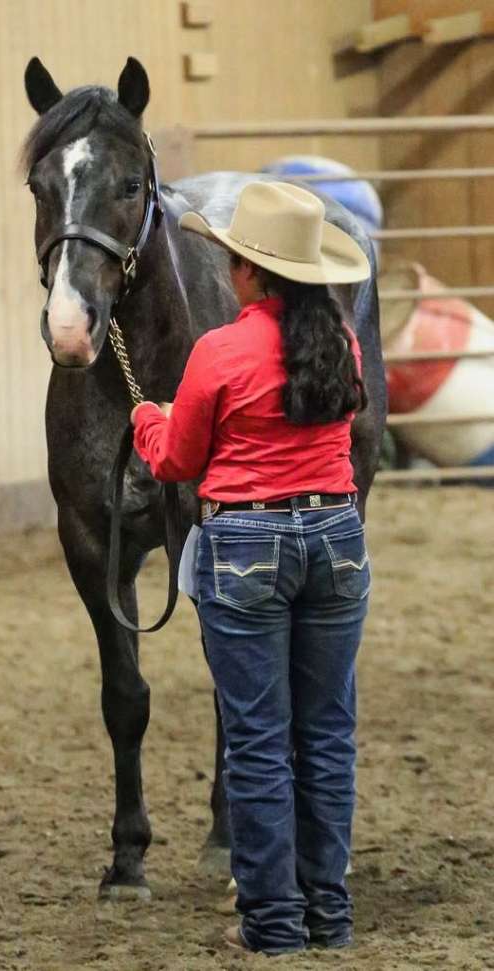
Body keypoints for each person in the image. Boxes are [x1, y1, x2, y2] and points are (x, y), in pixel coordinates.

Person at [130, 182, 372, 956]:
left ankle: (272, 922)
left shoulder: (220, 351)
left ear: (249, 272)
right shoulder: (341, 343)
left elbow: (177, 458)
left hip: (247, 547)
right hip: (337, 535)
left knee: (258, 741)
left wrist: (146, 417)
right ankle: (327, 913)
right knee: (328, 736)